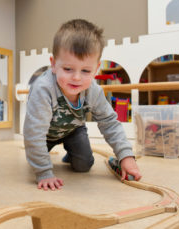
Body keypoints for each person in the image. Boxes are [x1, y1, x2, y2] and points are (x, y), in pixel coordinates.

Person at [23, 19, 142, 191]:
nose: (77, 78)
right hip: (44, 135)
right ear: (54, 64)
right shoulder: (43, 89)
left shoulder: (94, 91)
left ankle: (71, 153)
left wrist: (125, 156)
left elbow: (109, 122)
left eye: (85, 71)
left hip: (73, 130)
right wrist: (43, 172)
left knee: (84, 165)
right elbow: (34, 134)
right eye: (68, 69)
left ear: (96, 69)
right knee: (35, 157)